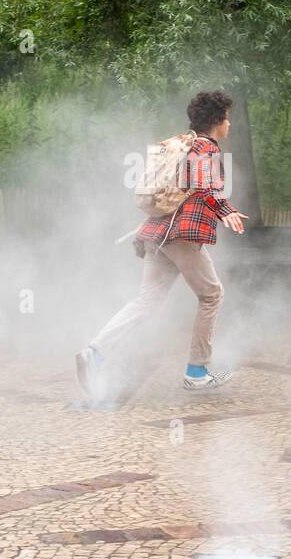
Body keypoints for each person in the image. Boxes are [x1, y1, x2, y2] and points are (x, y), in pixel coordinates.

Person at [76, 90, 249, 395]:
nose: (229, 124)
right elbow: (205, 185)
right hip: (180, 235)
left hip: (158, 233)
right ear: (216, 121)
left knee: (147, 300)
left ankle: (95, 353)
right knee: (211, 295)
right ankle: (197, 371)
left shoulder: (179, 144)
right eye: (227, 118)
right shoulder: (205, 148)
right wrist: (226, 211)